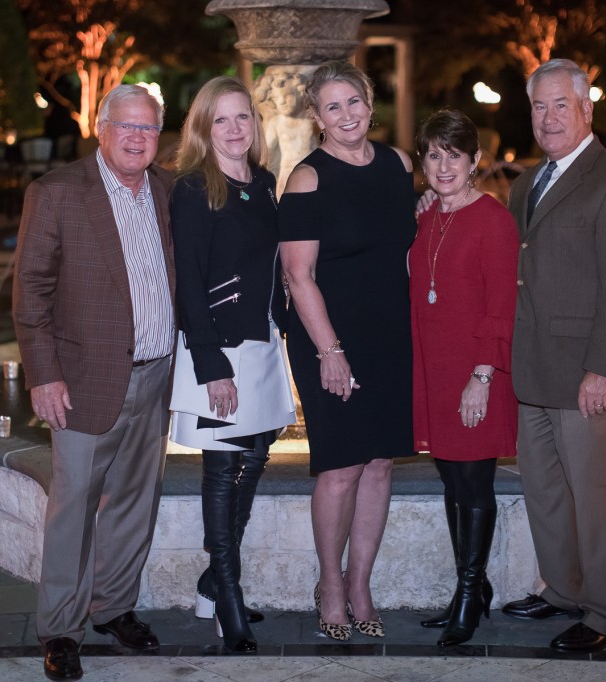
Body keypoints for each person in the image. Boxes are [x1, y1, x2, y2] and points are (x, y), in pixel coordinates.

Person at [13, 84, 176, 681]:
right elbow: (30, 292)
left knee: (134, 500)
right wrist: (44, 374)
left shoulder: (165, 190)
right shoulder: (56, 193)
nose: (137, 138)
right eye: (126, 127)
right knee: (74, 507)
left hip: (156, 374)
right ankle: (60, 627)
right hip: (81, 380)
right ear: (100, 129)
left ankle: (114, 608)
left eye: (149, 129)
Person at [500, 59, 606, 654]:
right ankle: (563, 591)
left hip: (589, 373)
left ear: (587, 109)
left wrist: (604, 370)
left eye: (561, 104)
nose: (548, 116)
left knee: (598, 500)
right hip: (535, 369)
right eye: (539, 105)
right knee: (546, 492)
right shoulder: (524, 184)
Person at [279, 60, 416, 642]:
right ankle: (330, 585)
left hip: (390, 332)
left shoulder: (399, 164)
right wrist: (330, 351)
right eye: (332, 107)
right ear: (317, 117)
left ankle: (361, 582)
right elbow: (297, 275)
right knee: (340, 466)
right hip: (327, 335)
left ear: (370, 102)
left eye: (354, 102)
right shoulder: (307, 180)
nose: (347, 115)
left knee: (380, 461)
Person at [168, 76, 296, 653]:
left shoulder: (265, 183)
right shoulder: (195, 188)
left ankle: (209, 584)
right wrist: (210, 362)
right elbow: (188, 281)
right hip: (217, 348)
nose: (235, 128)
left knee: (257, 455)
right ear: (203, 128)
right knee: (222, 473)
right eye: (221, 119)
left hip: (263, 344)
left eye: (242, 116)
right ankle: (230, 599)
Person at [409, 109, 518, 647]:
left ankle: (470, 595)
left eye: (454, 155)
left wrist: (482, 377)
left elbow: (501, 306)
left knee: (474, 484)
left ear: (476, 160)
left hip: (476, 372)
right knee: (453, 482)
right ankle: (471, 590)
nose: (443, 165)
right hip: (435, 367)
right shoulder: (427, 215)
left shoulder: (494, 219)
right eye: (433, 154)